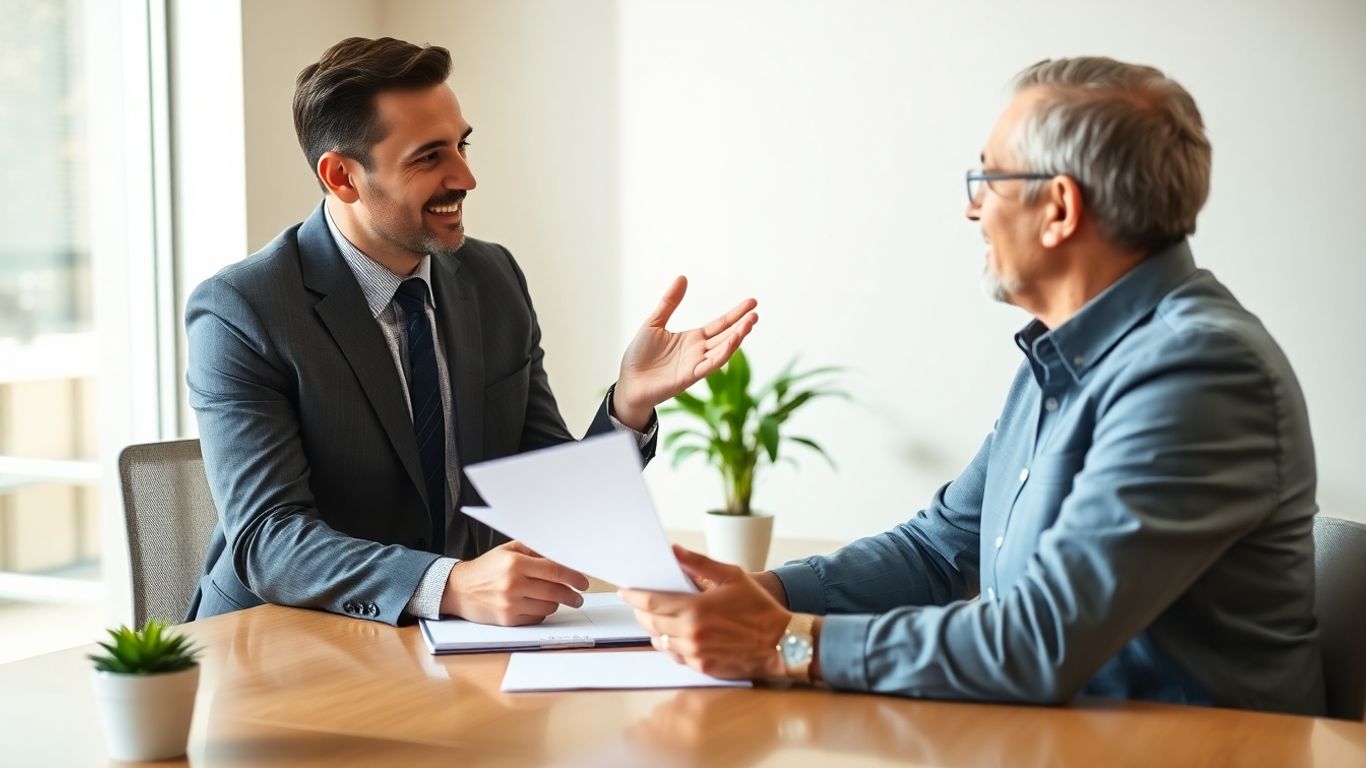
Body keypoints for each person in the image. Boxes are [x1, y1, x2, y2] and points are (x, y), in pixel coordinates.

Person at [622, 56, 1325, 715]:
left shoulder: (1198, 373)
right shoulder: (1059, 358)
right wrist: (764, 591)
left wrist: (784, 642)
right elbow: (939, 549)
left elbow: (1041, 640)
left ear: (1058, 208)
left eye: (988, 180)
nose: (972, 209)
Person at [185, 37, 757, 626]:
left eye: (462, 145)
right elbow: (268, 538)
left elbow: (547, 495)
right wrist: (448, 584)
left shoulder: (492, 277)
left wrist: (629, 404)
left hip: (454, 647)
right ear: (342, 176)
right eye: (429, 157)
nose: (466, 177)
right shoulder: (243, 309)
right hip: (281, 643)